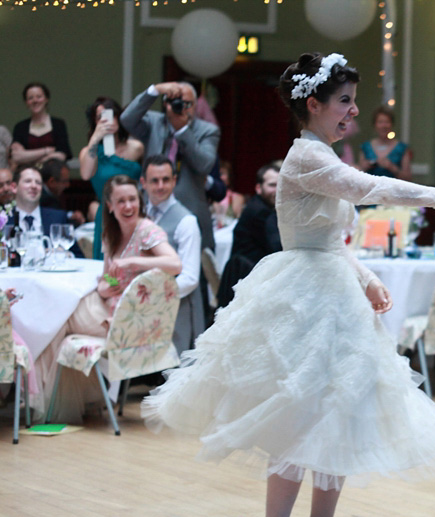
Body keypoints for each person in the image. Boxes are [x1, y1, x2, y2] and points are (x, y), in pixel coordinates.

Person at [142, 52, 435, 517]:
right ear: (313, 105)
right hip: (302, 295)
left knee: (338, 409)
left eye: (353, 101)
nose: (353, 110)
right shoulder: (305, 157)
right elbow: (372, 188)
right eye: (343, 101)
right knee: (299, 412)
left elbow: (334, 240)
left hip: (334, 290)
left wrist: (366, 278)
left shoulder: (323, 154)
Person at [32, 174, 181, 422]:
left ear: (140, 201)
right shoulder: (111, 234)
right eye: (120, 201)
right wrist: (104, 287)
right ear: (109, 206)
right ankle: (76, 400)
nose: (128, 206)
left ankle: (41, 400)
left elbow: (175, 264)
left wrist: (134, 260)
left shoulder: (146, 230)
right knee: (58, 319)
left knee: (57, 319)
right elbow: (109, 279)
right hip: (109, 305)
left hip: (127, 320)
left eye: (132, 199)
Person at [120, 81, 220, 251]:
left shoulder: (208, 130)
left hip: (190, 212)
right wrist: (155, 90)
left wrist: (182, 131)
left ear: (196, 106)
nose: (182, 107)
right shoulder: (154, 122)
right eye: (175, 102)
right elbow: (126, 119)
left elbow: (204, 165)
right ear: (166, 104)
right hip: (151, 209)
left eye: (187, 104)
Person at [141, 156, 203, 354]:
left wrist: (155, 297)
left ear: (174, 181)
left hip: (177, 308)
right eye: (154, 180)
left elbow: (191, 278)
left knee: (174, 375)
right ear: (143, 183)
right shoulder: (138, 212)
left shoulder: (187, 221)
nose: (160, 186)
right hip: (143, 309)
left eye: (166, 180)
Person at [80, 96, 145, 260]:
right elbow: (86, 174)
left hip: (134, 211)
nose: (106, 121)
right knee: (109, 268)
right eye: (100, 117)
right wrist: (95, 137)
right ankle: (112, 285)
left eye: (110, 115)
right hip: (108, 215)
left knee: (134, 261)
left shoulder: (135, 148)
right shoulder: (90, 152)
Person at [216, 161, 283, 308]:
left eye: (281, 185)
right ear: (258, 188)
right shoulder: (261, 213)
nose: (278, 190)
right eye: (272, 185)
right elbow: (277, 249)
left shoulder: (260, 207)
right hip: (246, 284)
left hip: (245, 277)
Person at [8, 165, 83, 257]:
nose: (34, 186)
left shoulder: (57, 217)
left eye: (38, 183)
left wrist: (63, 254)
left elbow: (78, 255)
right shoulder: (4, 220)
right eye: (28, 181)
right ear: (14, 187)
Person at [10, 83, 72, 168]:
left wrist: (29, 158)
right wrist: (46, 151)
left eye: (39, 97)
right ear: (26, 102)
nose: (35, 101)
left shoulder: (58, 124)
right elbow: (17, 156)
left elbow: (62, 155)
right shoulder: (20, 127)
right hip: (28, 176)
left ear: (46, 99)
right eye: (30, 98)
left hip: (53, 176)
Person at [358, 106, 412, 181]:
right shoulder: (366, 147)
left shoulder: (402, 148)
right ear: (375, 125)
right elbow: (359, 176)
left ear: (392, 124)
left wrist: (392, 168)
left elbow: (408, 178)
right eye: (380, 122)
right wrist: (365, 167)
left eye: (387, 122)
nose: (383, 126)